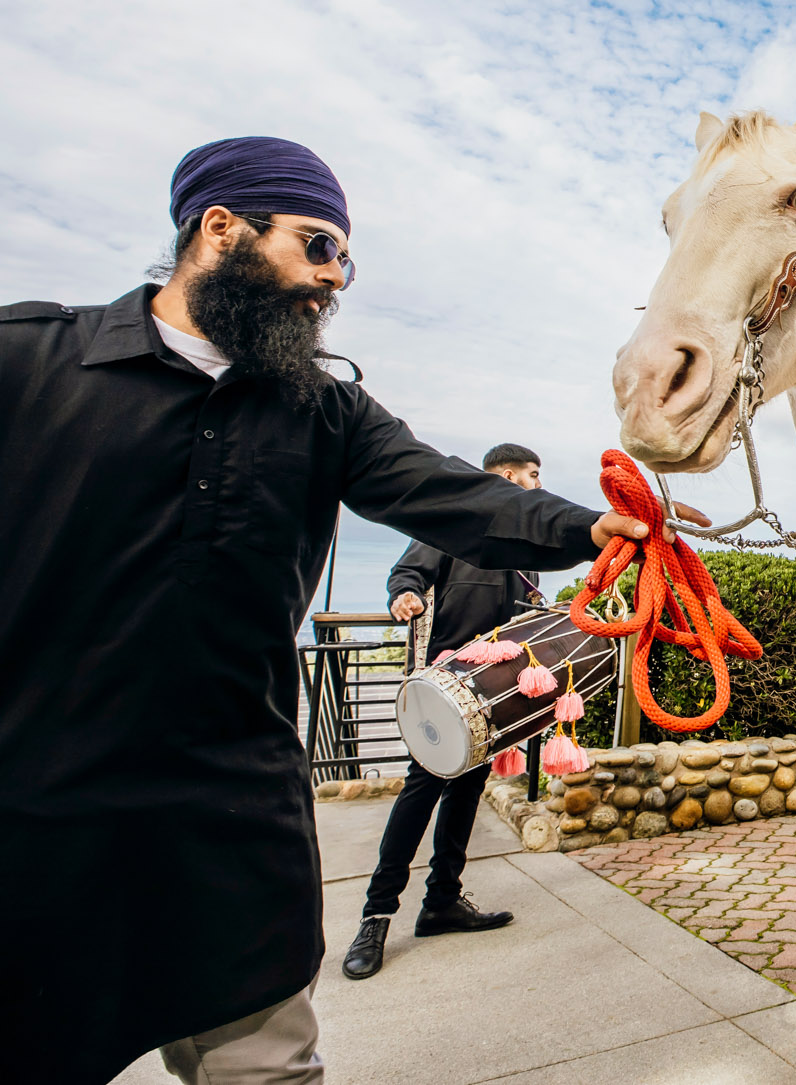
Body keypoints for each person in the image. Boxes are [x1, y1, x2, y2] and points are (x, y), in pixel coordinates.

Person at [0, 137, 662, 1085]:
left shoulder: (327, 413)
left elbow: (458, 497)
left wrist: (596, 528)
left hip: (231, 828)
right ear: (218, 228)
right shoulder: (27, 364)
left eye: (344, 259)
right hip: (36, 830)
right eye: (317, 245)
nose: (334, 277)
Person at [341, 443, 555, 980]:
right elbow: (407, 574)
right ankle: (377, 915)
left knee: (466, 792)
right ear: (506, 475)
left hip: (495, 693)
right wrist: (404, 597)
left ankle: (442, 901)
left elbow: (525, 612)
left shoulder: (519, 542)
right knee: (421, 792)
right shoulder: (455, 526)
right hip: (448, 686)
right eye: (532, 475)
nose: (536, 484)